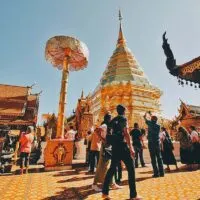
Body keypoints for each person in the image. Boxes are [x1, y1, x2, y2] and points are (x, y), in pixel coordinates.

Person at [102, 105, 142, 200]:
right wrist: (131, 148)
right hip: (123, 146)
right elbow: (126, 133)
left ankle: (105, 193)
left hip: (115, 147)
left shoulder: (113, 120)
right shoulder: (124, 119)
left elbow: (108, 133)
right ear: (124, 111)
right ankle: (133, 195)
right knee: (131, 169)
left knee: (112, 169)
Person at [92, 113, 121, 192]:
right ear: (108, 118)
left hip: (108, 146)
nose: (111, 119)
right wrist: (102, 139)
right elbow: (95, 130)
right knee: (101, 165)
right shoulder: (104, 125)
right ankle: (94, 184)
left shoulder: (108, 126)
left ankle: (112, 183)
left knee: (108, 166)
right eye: (110, 117)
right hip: (105, 146)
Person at [144, 112, 164, 178]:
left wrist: (145, 116)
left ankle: (156, 173)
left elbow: (146, 120)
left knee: (153, 158)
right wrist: (150, 116)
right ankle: (162, 173)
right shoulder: (158, 125)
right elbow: (149, 120)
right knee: (159, 157)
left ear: (152, 119)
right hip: (157, 142)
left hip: (151, 143)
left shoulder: (150, 123)